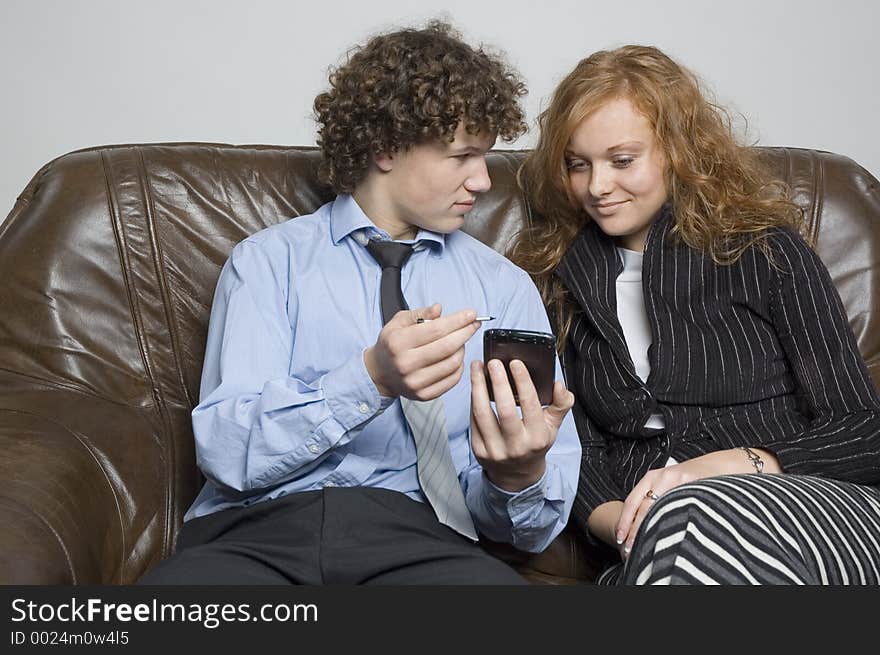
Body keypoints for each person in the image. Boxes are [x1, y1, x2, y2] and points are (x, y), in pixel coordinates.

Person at [138, 21, 580, 585]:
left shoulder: (502, 285)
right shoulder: (268, 264)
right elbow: (228, 452)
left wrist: (517, 475)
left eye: (485, 157)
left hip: (420, 542)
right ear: (385, 147)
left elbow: (524, 528)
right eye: (463, 155)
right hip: (255, 538)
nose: (483, 181)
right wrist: (370, 379)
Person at [511, 44, 880, 584]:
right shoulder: (555, 280)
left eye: (622, 160)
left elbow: (863, 428)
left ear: (676, 150)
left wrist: (733, 465)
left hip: (811, 503)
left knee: (690, 520)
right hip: (661, 539)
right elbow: (576, 450)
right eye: (577, 165)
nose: (597, 186)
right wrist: (622, 522)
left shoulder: (766, 251)